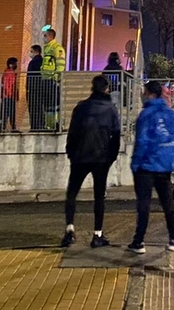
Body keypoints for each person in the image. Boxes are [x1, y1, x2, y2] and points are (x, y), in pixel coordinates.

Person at [61, 74, 122, 249]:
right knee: (99, 196)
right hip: (101, 158)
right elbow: (116, 136)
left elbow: (72, 133)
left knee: (72, 193)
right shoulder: (110, 109)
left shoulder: (81, 107)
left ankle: (69, 230)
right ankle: (97, 234)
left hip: (80, 157)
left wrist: (71, 153)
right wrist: (111, 157)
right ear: (106, 89)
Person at [128, 80, 174, 253]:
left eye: (144, 91)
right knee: (167, 203)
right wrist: (169, 160)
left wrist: (135, 164)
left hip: (146, 166)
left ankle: (139, 241)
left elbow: (142, 141)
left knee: (144, 204)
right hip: (164, 166)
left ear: (150, 94)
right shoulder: (172, 115)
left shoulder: (146, 114)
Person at [41, 28, 65, 130]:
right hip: (46, 80)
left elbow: (60, 64)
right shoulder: (47, 49)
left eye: (45, 36)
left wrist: (56, 78)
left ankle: (56, 124)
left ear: (51, 36)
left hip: (53, 80)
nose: (44, 38)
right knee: (48, 105)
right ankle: (49, 125)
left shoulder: (57, 48)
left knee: (54, 104)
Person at [26, 45, 45, 131]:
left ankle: (35, 126)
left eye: (31, 51)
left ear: (35, 52)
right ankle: (40, 125)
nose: (30, 53)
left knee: (33, 108)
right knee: (40, 108)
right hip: (40, 88)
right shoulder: (43, 61)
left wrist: (28, 87)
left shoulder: (34, 62)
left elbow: (30, 75)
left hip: (33, 88)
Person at [0, 58, 19, 132]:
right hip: (8, 96)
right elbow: (6, 85)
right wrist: (9, 94)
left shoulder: (12, 73)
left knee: (11, 112)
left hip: (11, 96)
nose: (16, 65)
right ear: (11, 65)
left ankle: (12, 127)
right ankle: (4, 127)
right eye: (15, 63)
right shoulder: (8, 73)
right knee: (7, 112)